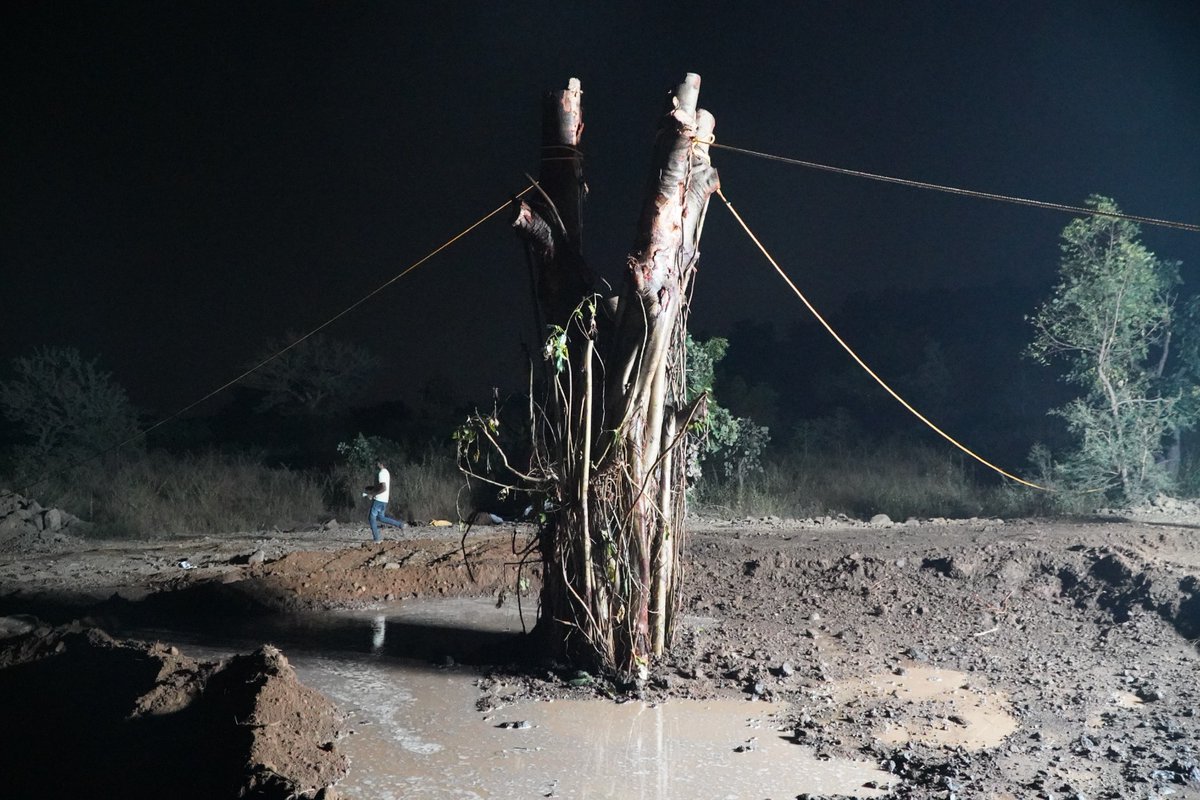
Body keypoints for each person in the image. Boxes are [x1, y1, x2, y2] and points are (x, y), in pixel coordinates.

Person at [364, 459, 405, 542]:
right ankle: (400, 525)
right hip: (384, 500)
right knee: (381, 517)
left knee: (371, 517)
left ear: (381, 464)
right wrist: (372, 489)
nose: (376, 464)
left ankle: (376, 539)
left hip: (379, 499)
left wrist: (372, 494)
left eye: (377, 463)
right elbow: (381, 486)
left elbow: (383, 488)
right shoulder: (386, 472)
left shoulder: (381, 473)